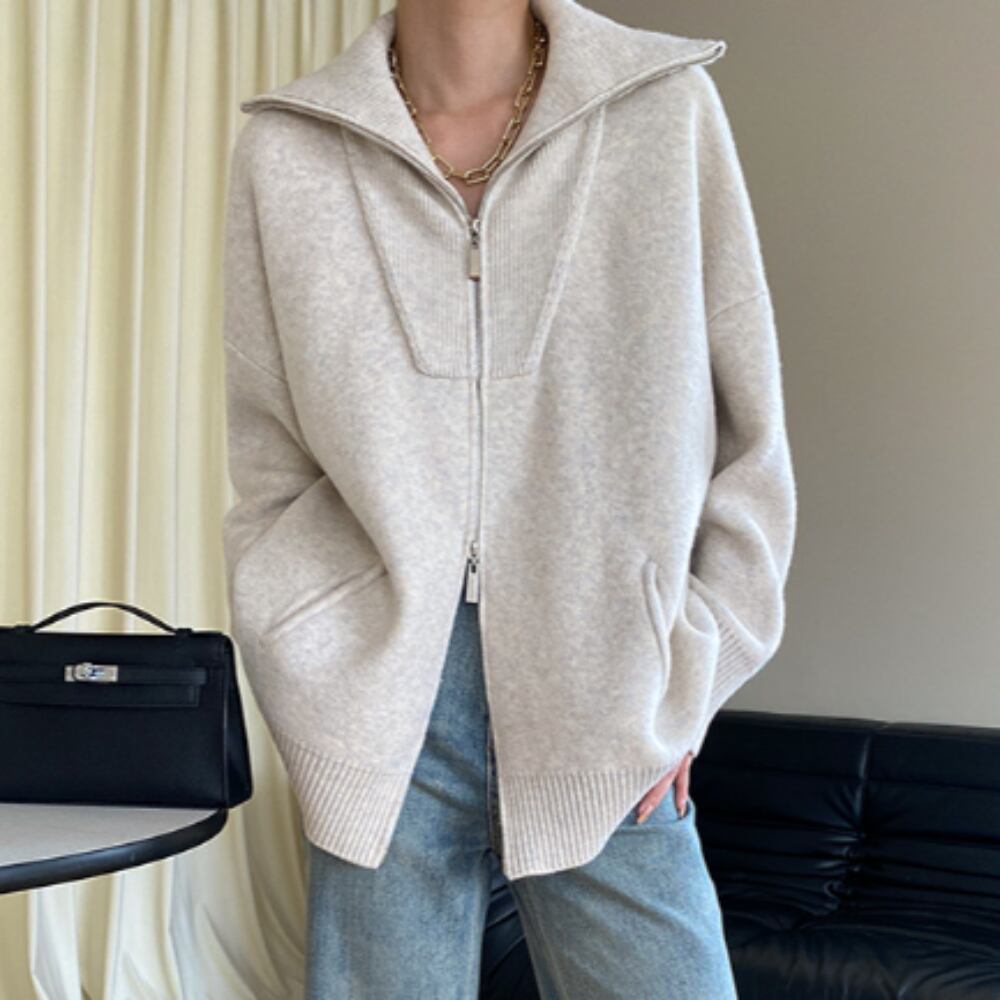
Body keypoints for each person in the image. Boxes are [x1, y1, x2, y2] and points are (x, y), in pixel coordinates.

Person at [221, 0, 797, 995]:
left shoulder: (664, 110)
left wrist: (692, 674)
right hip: (375, 702)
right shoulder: (289, 148)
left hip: (608, 689)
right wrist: (303, 660)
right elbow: (268, 452)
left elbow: (753, 436)